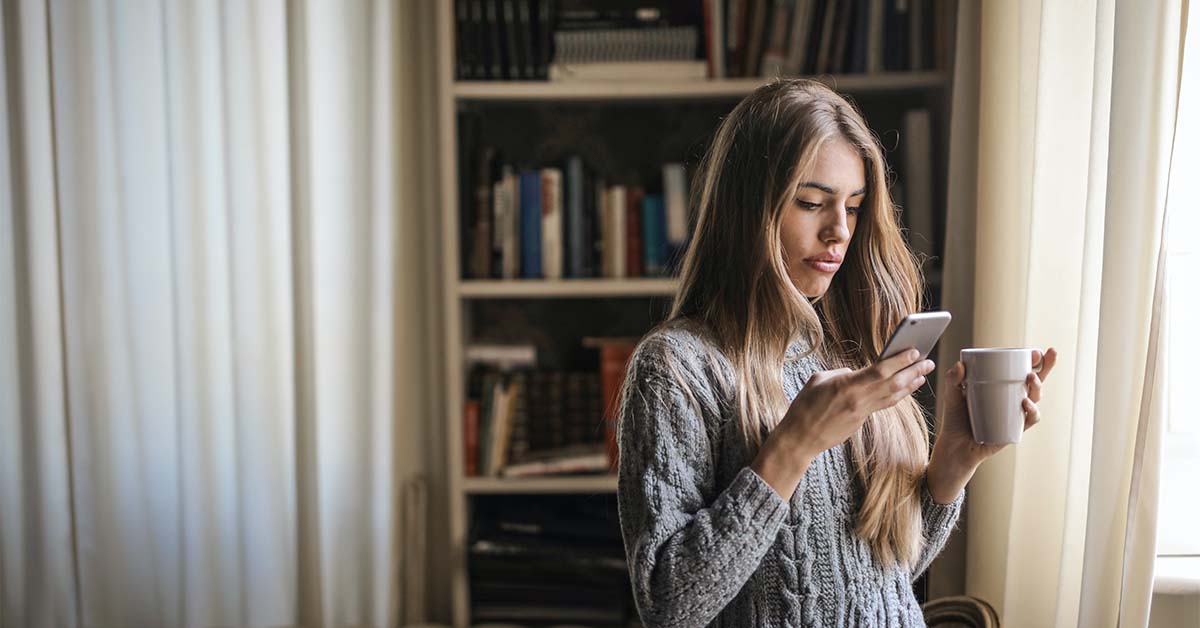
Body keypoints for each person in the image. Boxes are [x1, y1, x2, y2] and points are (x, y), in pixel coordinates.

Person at [616, 79, 1058, 628]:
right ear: (747, 208)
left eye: (853, 206)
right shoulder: (677, 368)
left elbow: (880, 573)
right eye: (811, 203)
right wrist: (794, 445)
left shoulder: (842, 345)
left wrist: (952, 464)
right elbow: (670, 605)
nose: (839, 231)